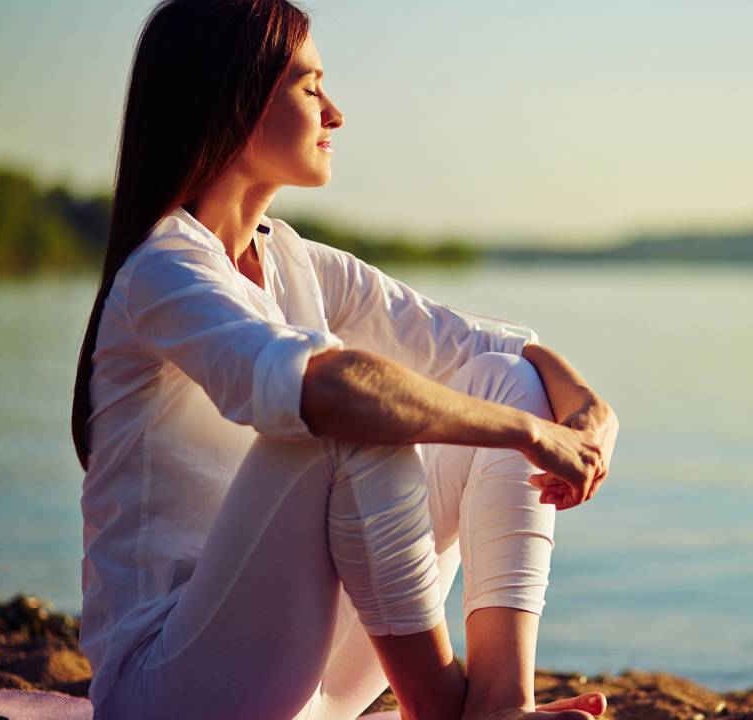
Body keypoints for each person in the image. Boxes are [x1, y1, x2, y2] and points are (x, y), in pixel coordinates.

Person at [69, 1, 620, 718]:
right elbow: (326, 389)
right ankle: (445, 707)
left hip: (311, 679)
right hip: (169, 688)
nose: (335, 113)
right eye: (309, 86)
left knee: (507, 384)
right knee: (349, 418)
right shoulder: (165, 271)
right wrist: (527, 434)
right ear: (231, 101)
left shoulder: (295, 259)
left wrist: (583, 408)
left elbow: (492, 347)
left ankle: (499, 701)